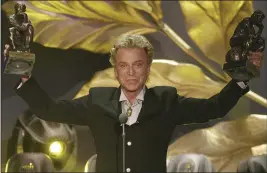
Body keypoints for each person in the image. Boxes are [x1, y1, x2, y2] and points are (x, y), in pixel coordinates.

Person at [3, 34, 264, 172]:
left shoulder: (165, 101)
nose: (130, 72)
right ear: (115, 70)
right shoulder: (98, 101)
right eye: (124, 66)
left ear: (148, 69)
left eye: (137, 65)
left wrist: (240, 80)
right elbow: (49, 109)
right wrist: (24, 77)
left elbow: (213, 108)